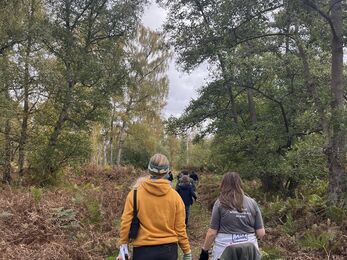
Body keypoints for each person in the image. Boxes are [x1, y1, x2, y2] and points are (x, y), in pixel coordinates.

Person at [118, 153, 192, 260]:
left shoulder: (134, 194)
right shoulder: (175, 197)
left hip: (142, 251)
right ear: (167, 171)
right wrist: (187, 251)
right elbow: (180, 229)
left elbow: (125, 223)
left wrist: (123, 247)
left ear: (149, 169)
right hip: (169, 251)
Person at [199, 172, 265, 260]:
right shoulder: (252, 203)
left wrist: (205, 251)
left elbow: (212, 233)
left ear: (224, 184)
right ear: (240, 184)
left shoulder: (220, 203)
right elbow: (261, 233)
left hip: (224, 251)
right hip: (249, 251)